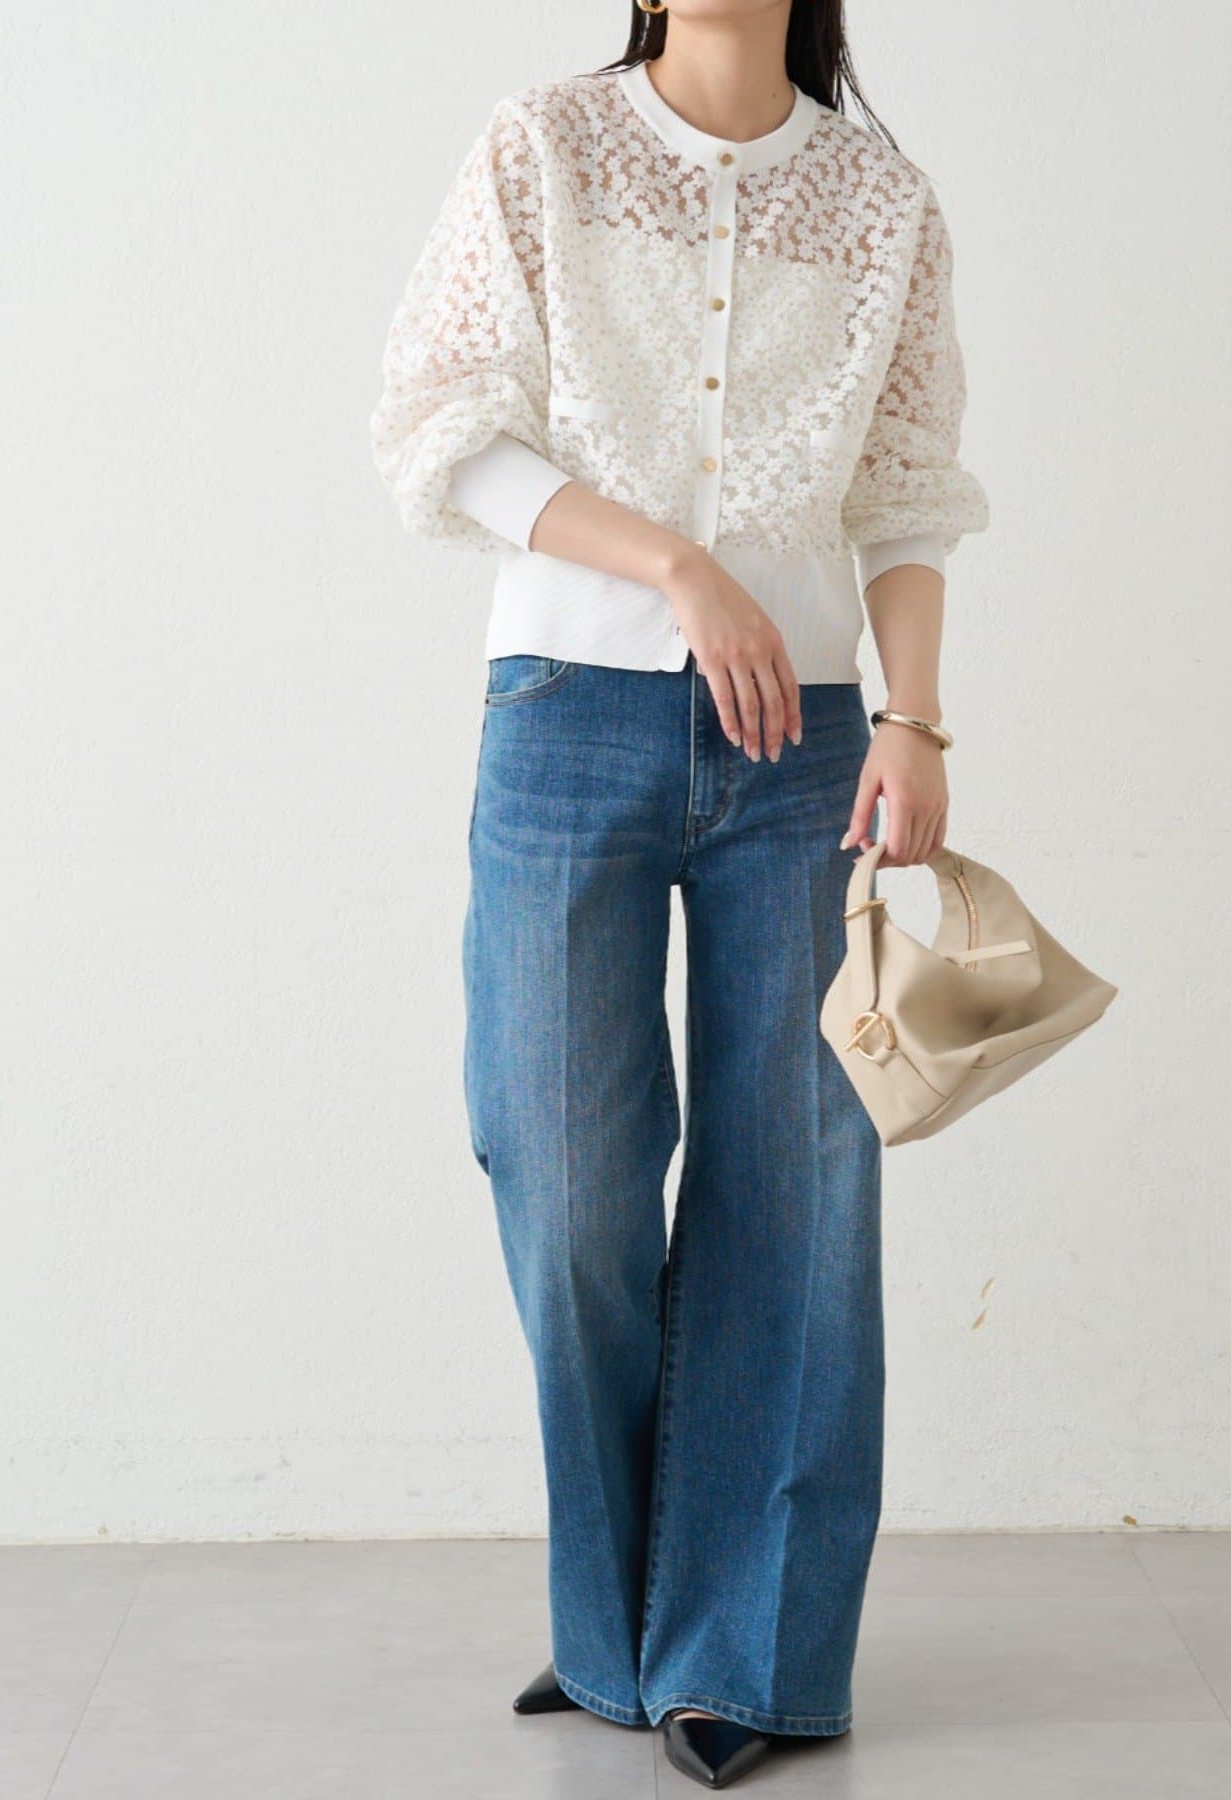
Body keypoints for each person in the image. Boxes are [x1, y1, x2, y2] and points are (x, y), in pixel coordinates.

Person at [370, 1, 987, 1786]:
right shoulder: (545, 148)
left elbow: (906, 493)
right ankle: (618, 1628)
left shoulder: (882, 200)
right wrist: (679, 568)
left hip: (809, 751)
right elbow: (444, 428)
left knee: (797, 1191)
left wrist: (918, 719)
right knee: (559, 1172)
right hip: (566, 720)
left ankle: (748, 1653)